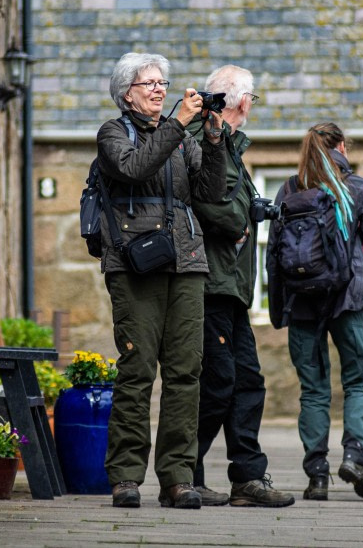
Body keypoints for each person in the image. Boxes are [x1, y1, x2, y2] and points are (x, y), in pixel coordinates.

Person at [97, 52, 227, 509]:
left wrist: (211, 138)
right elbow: (134, 168)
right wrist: (179, 125)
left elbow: (211, 193)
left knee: (186, 372)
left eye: (162, 82)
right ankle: (126, 477)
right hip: (135, 263)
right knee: (136, 370)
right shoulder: (114, 133)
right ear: (126, 93)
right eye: (149, 83)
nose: (159, 89)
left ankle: (177, 476)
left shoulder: (181, 138)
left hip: (187, 261)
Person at [266, 122, 363, 501]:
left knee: (314, 390)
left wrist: (278, 310)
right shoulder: (356, 189)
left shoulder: (289, 189)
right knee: (359, 381)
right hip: (349, 299)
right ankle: (355, 457)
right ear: (342, 146)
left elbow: (273, 254)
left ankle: (317, 476)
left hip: (302, 301)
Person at [188, 65, 295, 508]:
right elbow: (214, 204)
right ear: (241, 99)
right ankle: (183, 470)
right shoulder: (202, 139)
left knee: (248, 380)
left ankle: (248, 478)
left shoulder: (230, 144)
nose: (252, 104)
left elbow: (238, 205)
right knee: (217, 382)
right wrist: (240, 221)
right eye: (252, 96)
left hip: (231, 286)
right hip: (209, 283)